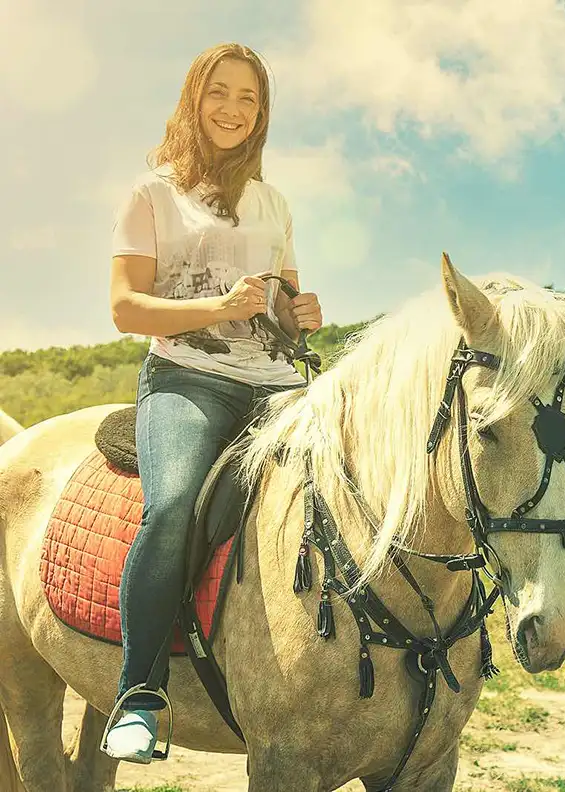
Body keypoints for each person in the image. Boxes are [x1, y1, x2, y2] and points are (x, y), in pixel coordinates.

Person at [103, 42, 322, 764]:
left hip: (278, 383)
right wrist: (211, 307)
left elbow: (279, 308)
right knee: (171, 506)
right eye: (219, 93)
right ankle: (140, 694)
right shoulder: (153, 194)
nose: (232, 109)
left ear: (262, 114)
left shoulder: (274, 203)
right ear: (194, 100)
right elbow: (126, 309)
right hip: (187, 377)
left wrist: (301, 313)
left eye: (248, 98)